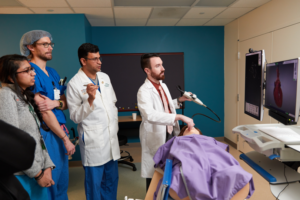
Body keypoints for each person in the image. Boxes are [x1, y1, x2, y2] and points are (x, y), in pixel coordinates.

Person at [20, 30, 75, 200]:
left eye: (51, 44)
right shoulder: (30, 73)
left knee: (61, 180)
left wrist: (55, 103)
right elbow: (44, 113)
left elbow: (64, 103)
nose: (50, 47)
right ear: (30, 47)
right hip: (46, 132)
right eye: (44, 44)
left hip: (59, 130)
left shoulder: (53, 73)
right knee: (49, 180)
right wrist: (65, 139)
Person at [67, 43, 120, 200]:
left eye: (99, 58)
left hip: (111, 138)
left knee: (111, 181)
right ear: (83, 61)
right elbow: (75, 116)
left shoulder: (104, 77)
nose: (100, 62)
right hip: (94, 142)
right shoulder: (74, 84)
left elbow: (112, 103)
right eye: (95, 59)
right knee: (94, 186)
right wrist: (90, 99)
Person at [0, 54, 56, 200]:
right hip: (21, 175)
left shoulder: (24, 96)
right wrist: (38, 174)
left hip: (36, 171)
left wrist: (47, 165)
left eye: (32, 69)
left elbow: (37, 136)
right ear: (11, 77)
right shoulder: (6, 95)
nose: (33, 73)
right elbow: (12, 145)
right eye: (27, 70)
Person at [137, 53, 195, 191]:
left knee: (168, 170)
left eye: (162, 64)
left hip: (169, 133)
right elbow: (150, 114)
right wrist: (179, 117)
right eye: (157, 66)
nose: (163, 68)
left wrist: (180, 100)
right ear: (147, 70)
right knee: (154, 176)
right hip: (156, 135)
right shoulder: (143, 91)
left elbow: (165, 107)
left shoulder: (163, 85)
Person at [153, 126, 255, 200]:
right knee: (187, 174)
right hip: (186, 169)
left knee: (235, 172)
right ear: (181, 134)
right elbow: (163, 155)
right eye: (185, 129)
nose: (190, 128)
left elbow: (220, 154)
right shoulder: (177, 140)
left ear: (200, 133)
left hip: (213, 159)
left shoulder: (209, 140)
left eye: (194, 128)